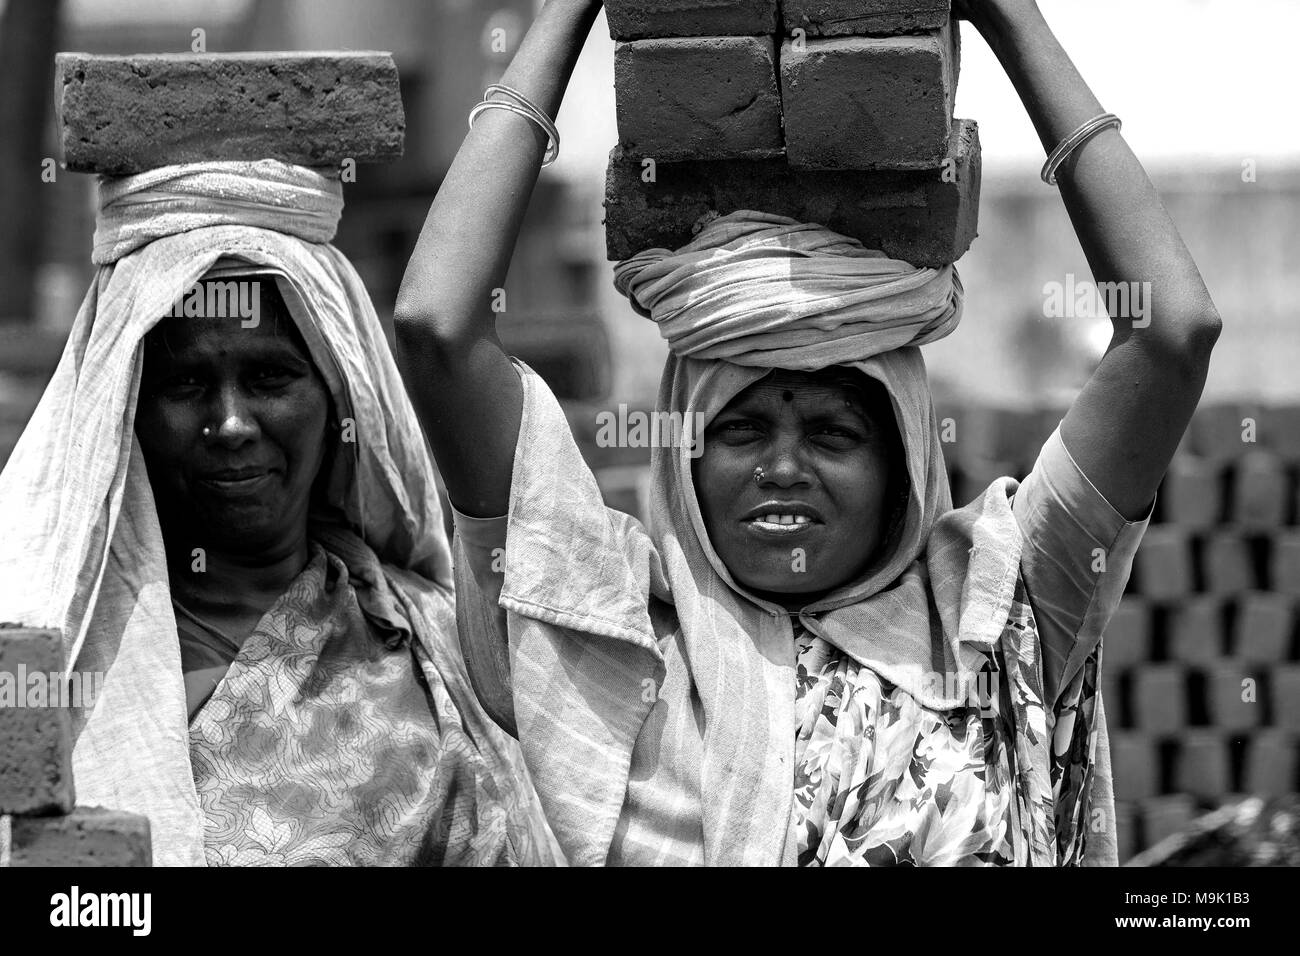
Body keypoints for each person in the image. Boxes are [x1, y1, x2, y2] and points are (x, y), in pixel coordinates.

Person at [393, 0, 1221, 865]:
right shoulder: (605, 635)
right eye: (741, 430)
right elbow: (437, 329)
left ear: (901, 463)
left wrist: (1010, 20)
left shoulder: (994, 614)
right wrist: (572, 9)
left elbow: (1171, 335)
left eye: (832, 435)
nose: (783, 467)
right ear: (684, 456)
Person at [0, 160, 555, 866]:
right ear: (127, 410)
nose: (231, 424)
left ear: (338, 399)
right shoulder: (60, 666)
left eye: (269, 377)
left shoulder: (438, 641)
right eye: (186, 383)